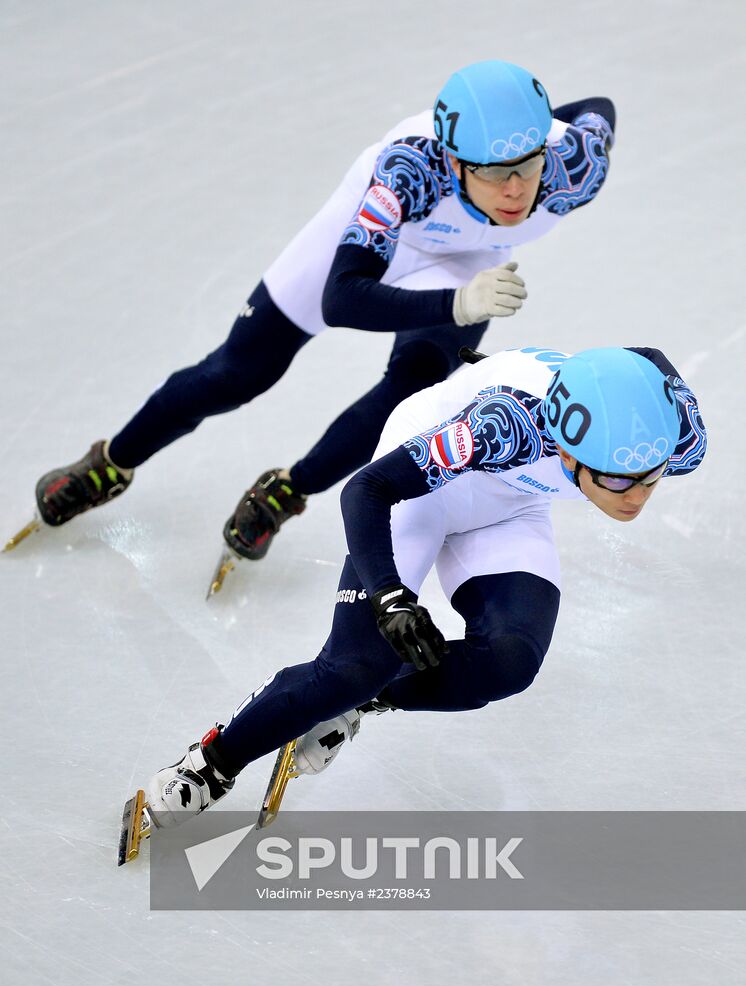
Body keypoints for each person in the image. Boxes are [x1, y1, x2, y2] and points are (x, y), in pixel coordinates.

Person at [34, 60, 616, 566]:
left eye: (528, 162)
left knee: (411, 387)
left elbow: (598, 107)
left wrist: (527, 126)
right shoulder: (410, 171)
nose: (515, 189)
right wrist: (457, 304)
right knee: (239, 372)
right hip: (371, 240)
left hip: (467, 256)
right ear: (455, 161)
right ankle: (110, 462)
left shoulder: (574, 167)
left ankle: (288, 491)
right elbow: (342, 299)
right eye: (492, 170)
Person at [130, 343, 707, 827]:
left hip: (512, 504)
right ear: (565, 446)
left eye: (651, 478)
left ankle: (362, 702)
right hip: (419, 491)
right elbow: (366, 490)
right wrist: (389, 598)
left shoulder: (678, 436)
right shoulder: (505, 429)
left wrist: (503, 363)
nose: (635, 495)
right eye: (615, 477)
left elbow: (647, 359)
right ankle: (212, 761)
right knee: (354, 666)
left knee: (509, 661)